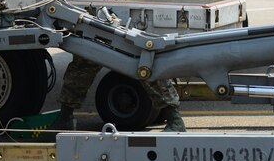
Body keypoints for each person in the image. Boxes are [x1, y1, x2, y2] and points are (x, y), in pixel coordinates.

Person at [50, 54, 186, 133]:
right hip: (95, 17)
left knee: (143, 61)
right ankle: (65, 117)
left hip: (124, 20)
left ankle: (174, 119)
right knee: (84, 61)